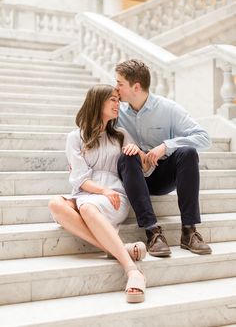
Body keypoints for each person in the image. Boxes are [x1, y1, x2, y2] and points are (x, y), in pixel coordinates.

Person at [48, 84, 146, 303]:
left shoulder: (121, 135)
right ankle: (122, 249)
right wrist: (102, 189)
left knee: (87, 207)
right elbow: (80, 179)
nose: (117, 103)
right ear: (97, 102)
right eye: (112, 99)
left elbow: (143, 168)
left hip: (115, 195)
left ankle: (132, 271)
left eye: (117, 99)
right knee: (55, 203)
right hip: (89, 192)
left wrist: (138, 153)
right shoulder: (75, 137)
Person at [115, 59, 212, 257]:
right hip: (133, 176)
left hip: (161, 177)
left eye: (119, 83)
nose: (115, 88)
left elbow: (204, 138)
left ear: (136, 87)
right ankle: (152, 232)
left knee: (188, 152)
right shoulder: (116, 110)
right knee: (127, 156)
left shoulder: (168, 108)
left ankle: (189, 232)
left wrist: (166, 146)